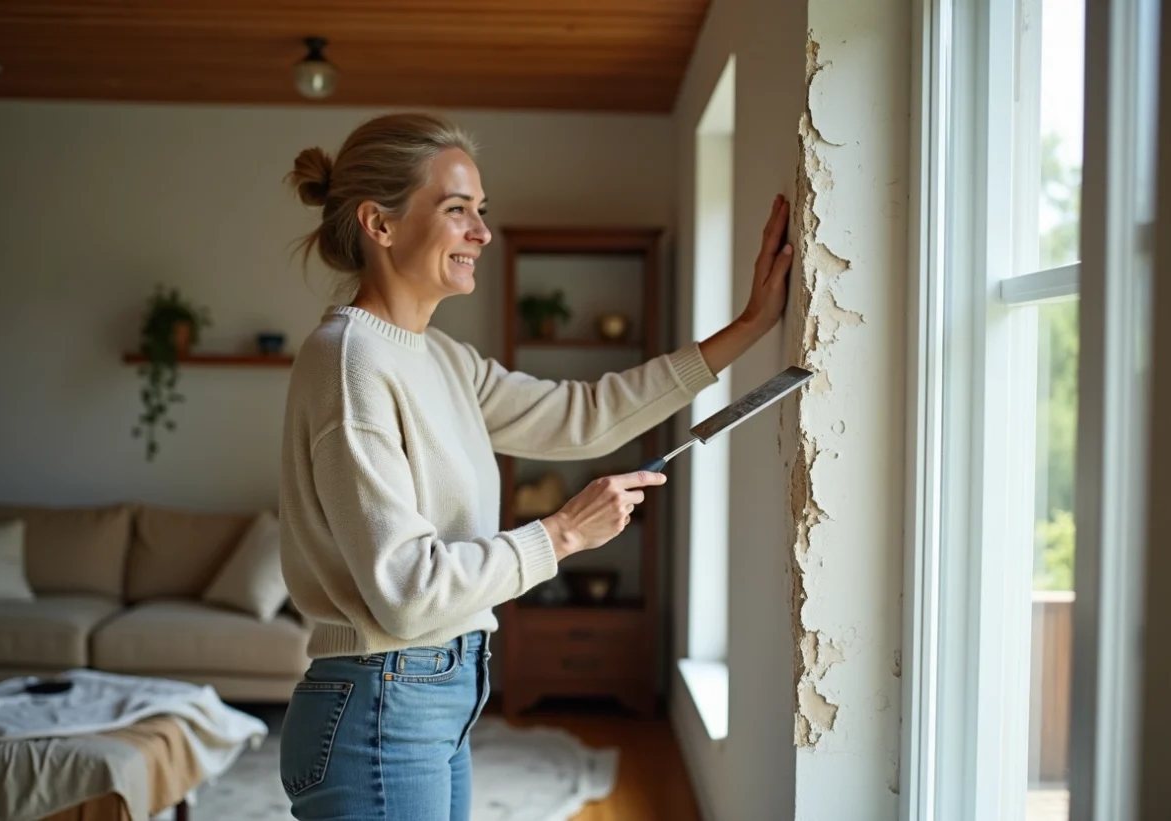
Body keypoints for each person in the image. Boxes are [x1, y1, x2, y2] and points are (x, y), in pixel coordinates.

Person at [276, 111, 793, 821]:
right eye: (457, 210)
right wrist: (563, 535)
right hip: (383, 703)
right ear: (380, 224)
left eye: (480, 211)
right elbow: (404, 589)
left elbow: (582, 412)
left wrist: (748, 328)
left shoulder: (440, 359)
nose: (482, 233)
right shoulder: (350, 361)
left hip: (430, 696)